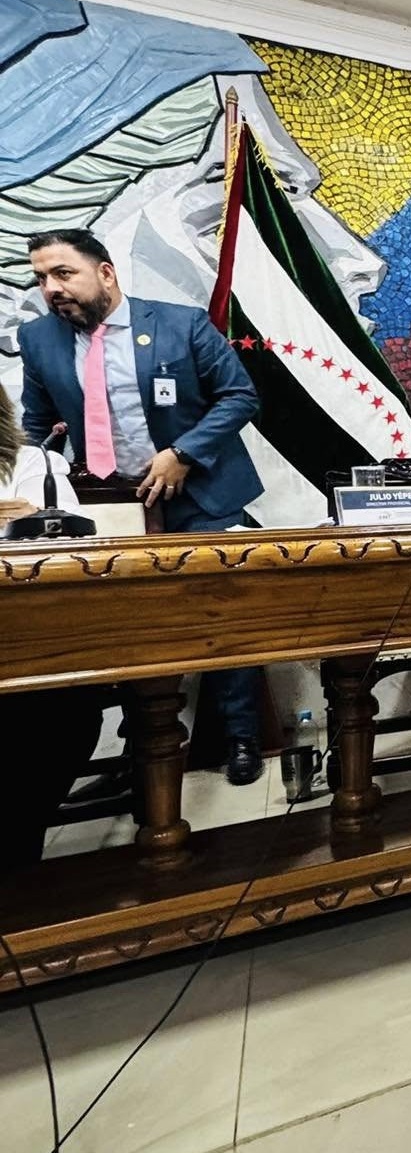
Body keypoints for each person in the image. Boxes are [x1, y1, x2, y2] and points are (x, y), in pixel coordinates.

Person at [19, 229, 268, 785]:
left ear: (105, 273)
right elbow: (37, 424)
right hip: (112, 508)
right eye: (41, 278)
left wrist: (184, 454)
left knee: (223, 617)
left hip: (200, 497)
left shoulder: (181, 324)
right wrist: (37, 484)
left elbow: (240, 396)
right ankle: (143, 747)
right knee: (132, 626)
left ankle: (240, 737)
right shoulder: (38, 339)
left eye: (63, 273)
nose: (51, 288)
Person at [0, 386, 104, 869]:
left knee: (63, 716)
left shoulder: (33, 465)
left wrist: (30, 523)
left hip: (26, 641)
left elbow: (66, 544)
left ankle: (20, 866)